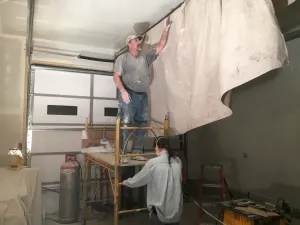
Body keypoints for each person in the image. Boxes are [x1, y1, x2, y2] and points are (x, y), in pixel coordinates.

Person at [113, 19, 171, 163]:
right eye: (135, 40)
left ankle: (137, 151)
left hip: (142, 95)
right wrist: (123, 91)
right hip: (129, 93)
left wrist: (165, 30)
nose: (139, 42)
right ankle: (122, 153)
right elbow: (116, 76)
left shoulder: (145, 57)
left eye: (139, 40)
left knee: (142, 123)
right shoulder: (123, 58)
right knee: (126, 123)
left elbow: (160, 46)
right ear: (129, 44)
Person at [121, 136, 183, 225]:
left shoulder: (153, 163)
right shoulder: (178, 161)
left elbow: (140, 179)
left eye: (155, 148)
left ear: (158, 147)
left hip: (158, 210)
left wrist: (126, 182)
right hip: (176, 208)